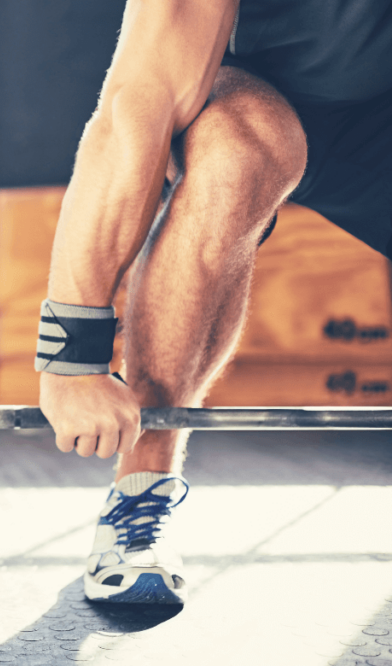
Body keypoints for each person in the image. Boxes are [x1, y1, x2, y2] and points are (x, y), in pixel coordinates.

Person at [36, 0, 392, 604]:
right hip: (271, 98)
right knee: (232, 148)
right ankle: (141, 493)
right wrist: (72, 360)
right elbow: (137, 106)